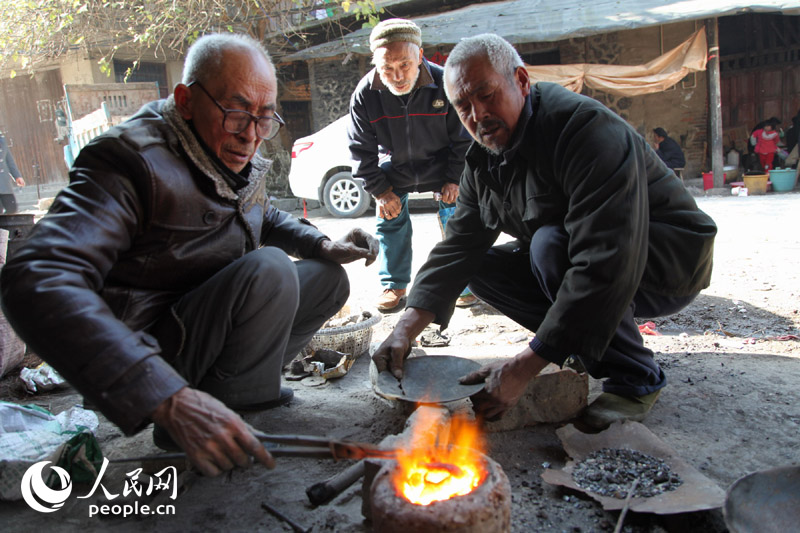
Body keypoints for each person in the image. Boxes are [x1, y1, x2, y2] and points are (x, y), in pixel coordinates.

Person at [0, 33, 378, 476]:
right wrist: (162, 394)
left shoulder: (233, 149)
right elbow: (36, 275)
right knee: (270, 268)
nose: (252, 136)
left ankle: (238, 393)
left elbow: (263, 214)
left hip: (212, 317)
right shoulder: (129, 161)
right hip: (157, 346)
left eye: (264, 118)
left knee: (326, 278)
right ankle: (198, 413)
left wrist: (322, 245)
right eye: (237, 114)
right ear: (184, 100)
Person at [372, 34, 717, 430]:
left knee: (549, 245)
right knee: (480, 267)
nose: (477, 114)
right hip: (590, 255)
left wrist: (525, 366)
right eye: (463, 106)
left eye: (486, 94)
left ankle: (635, 379)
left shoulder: (586, 131)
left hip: (667, 261)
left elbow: (606, 259)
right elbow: (458, 250)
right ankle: (579, 343)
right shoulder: (484, 156)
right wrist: (404, 330)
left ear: (521, 81)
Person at [347, 18, 473, 312]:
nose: (397, 75)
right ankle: (395, 284)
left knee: (457, 213)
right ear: (376, 63)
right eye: (387, 68)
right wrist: (380, 191)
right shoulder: (365, 93)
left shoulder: (445, 83)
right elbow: (359, 150)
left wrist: (454, 178)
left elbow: (464, 139)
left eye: (404, 64)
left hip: (442, 165)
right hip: (396, 166)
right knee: (389, 215)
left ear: (419, 55)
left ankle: (461, 281)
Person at [0, 132, 25, 214]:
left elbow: (9, 160)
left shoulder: (2, 140)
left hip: (3, 182)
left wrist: (17, 176)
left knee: (12, 208)